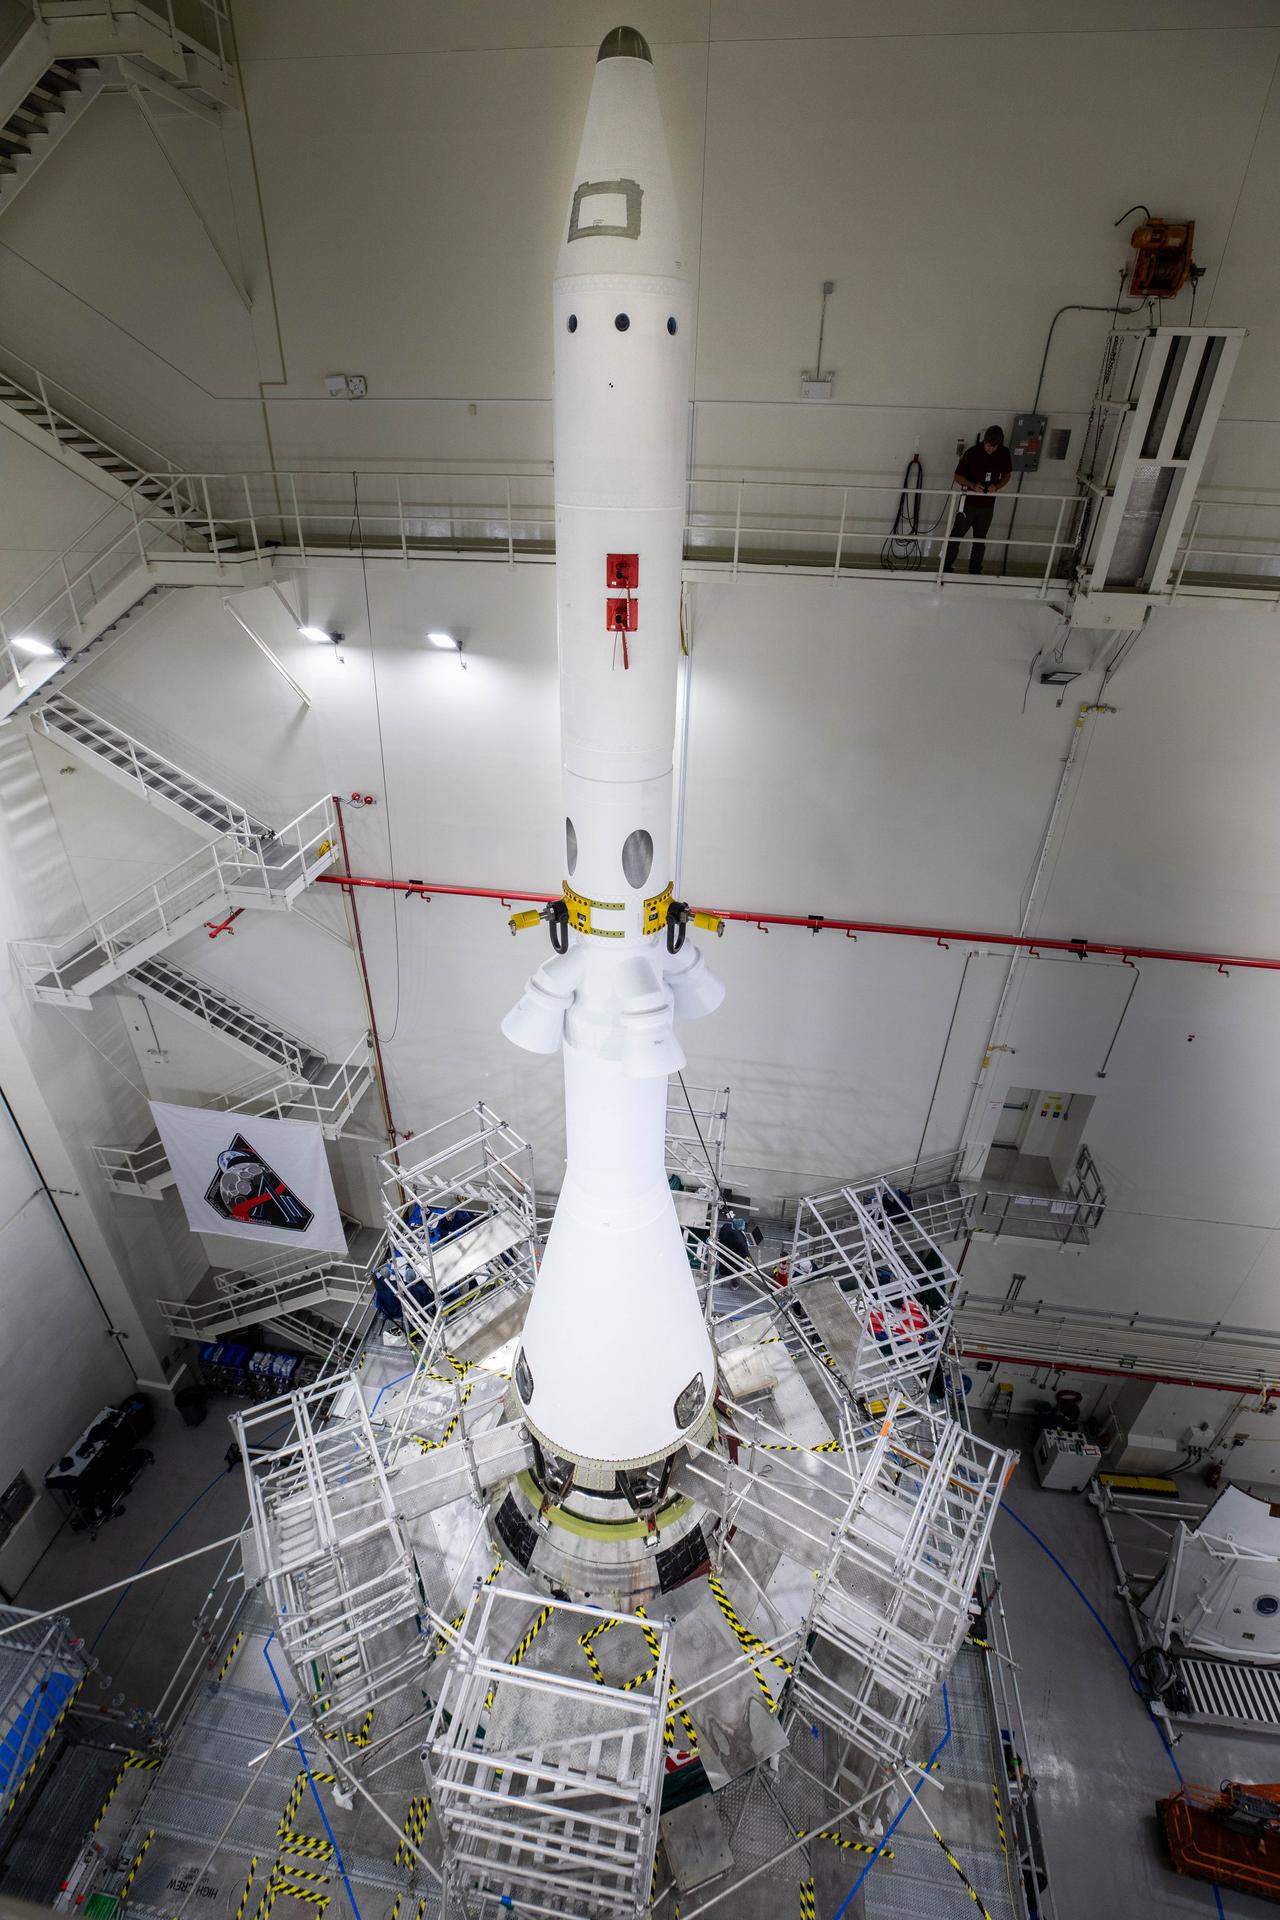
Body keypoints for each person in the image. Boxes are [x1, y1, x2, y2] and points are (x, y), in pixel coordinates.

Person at [944, 425, 1011, 575]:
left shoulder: (1004, 454)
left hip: (987, 506)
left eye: (993, 447)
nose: (990, 449)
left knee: (980, 539)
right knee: (956, 535)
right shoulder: (972, 453)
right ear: (984, 441)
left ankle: (975, 571)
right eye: (988, 445)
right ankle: (946, 567)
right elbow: (958, 476)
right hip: (968, 504)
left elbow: (1007, 475)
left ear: (999, 445)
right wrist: (973, 485)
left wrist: (997, 486)